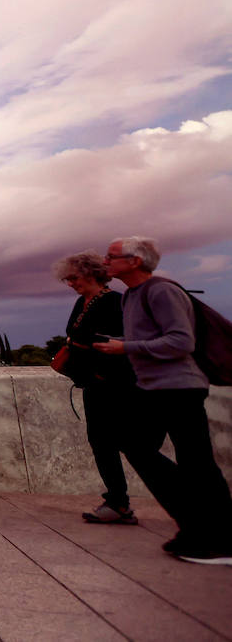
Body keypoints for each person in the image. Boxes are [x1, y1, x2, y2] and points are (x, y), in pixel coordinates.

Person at [94, 236, 232, 565]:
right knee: (143, 447)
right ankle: (199, 529)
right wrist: (120, 342)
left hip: (179, 387)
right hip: (154, 387)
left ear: (135, 261)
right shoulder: (130, 296)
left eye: (111, 257)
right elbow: (150, 338)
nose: (105, 262)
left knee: (194, 462)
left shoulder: (162, 291)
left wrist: (124, 348)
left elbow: (181, 341)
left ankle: (217, 540)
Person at [52, 250, 136, 524]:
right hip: (93, 384)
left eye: (73, 278)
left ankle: (184, 502)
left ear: (90, 273)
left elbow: (122, 343)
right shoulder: (82, 303)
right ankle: (117, 501)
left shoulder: (115, 302)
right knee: (100, 443)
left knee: (131, 444)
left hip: (116, 383)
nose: (70, 284)